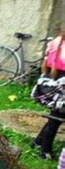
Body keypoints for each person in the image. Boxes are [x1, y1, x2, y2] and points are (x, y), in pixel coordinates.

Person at [31, 24, 65, 160]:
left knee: (55, 117)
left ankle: (38, 142)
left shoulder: (56, 41)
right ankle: (45, 151)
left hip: (51, 82)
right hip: (62, 87)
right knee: (56, 120)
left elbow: (46, 63)